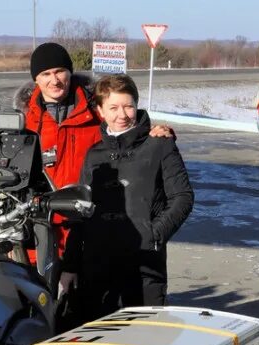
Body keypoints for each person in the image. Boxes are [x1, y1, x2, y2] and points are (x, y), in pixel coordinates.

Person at [16, 42, 174, 263]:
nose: (55, 80)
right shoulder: (24, 121)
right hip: (40, 227)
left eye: (60, 71)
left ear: (70, 72)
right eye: (46, 74)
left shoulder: (96, 111)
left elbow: (129, 131)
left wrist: (156, 133)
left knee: (83, 295)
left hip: (88, 226)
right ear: (36, 79)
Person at [60, 74, 193, 318]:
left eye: (128, 106)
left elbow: (182, 197)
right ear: (100, 110)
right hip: (97, 264)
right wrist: (70, 266)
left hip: (143, 264)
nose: (122, 115)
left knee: (142, 340)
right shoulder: (94, 154)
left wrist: (154, 235)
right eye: (113, 107)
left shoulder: (159, 144)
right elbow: (81, 211)